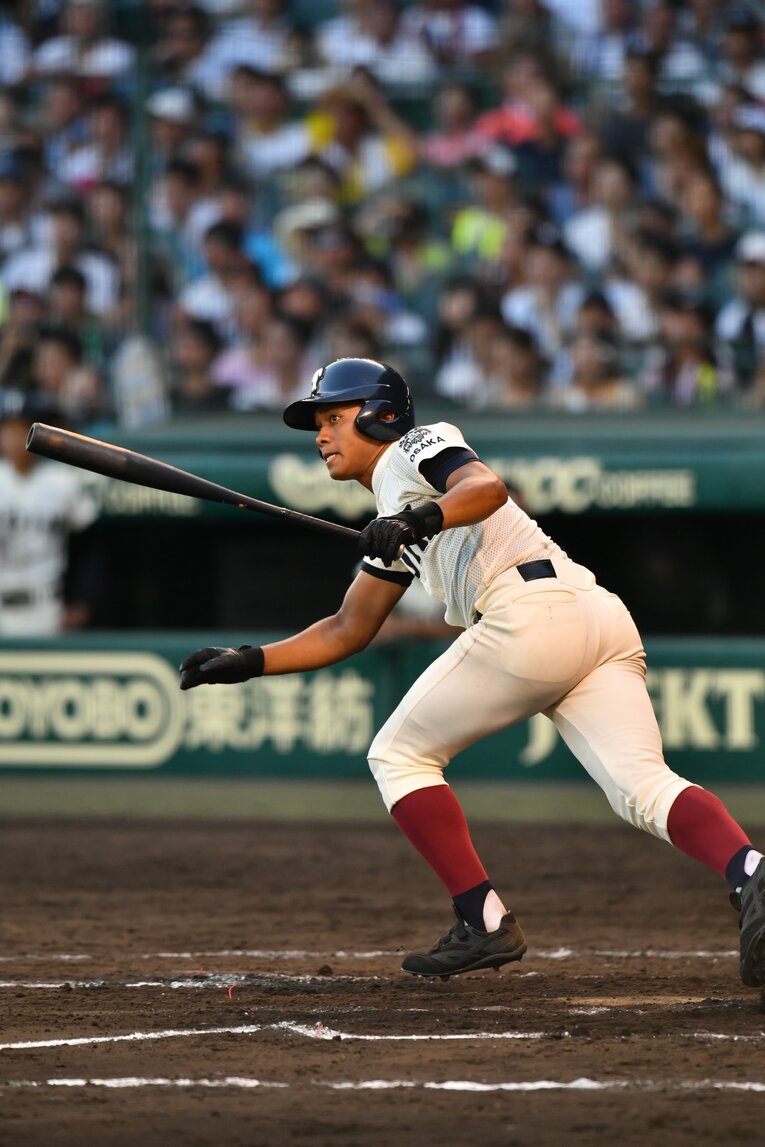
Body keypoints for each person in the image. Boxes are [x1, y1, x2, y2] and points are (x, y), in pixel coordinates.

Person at [179, 357, 765, 987]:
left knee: (397, 757)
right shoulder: (394, 506)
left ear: (378, 416)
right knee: (643, 788)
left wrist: (417, 518)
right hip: (594, 618)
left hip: (531, 614)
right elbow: (349, 629)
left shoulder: (413, 447)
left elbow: (486, 488)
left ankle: (482, 920)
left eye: (333, 418)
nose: (320, 435)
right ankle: (752, 873)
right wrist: (251, 660)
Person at [0, 391, 100, 637]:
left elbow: (90, 547)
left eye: (22, 428)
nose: (14, 438)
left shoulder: (63, 481)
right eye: (8, 429)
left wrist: (82, 601)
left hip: (47, 607)